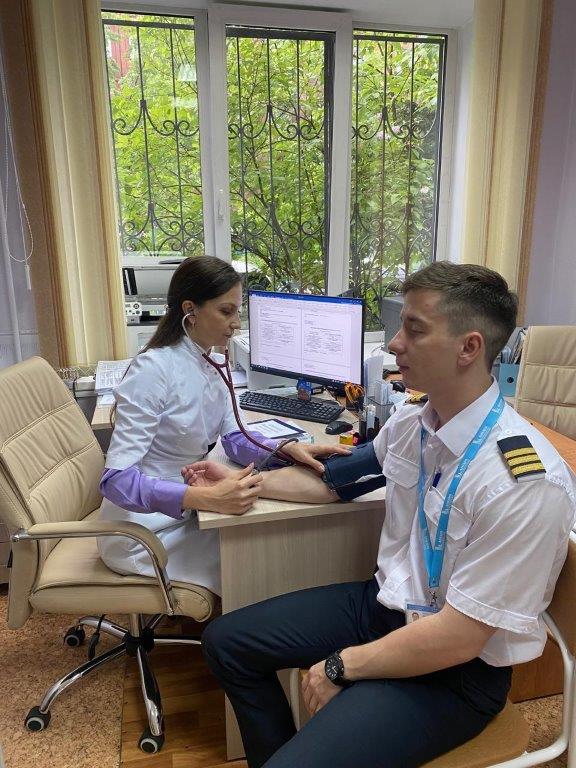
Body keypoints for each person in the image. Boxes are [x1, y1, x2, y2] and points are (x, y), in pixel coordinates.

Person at [183, 262, 576, 768]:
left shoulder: (521, 482)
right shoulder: (414, 422)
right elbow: (331, 483)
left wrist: (340, 666)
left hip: (453, 670)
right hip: (385, 609)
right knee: (225, 643)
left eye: (414, 329)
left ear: (469, 348)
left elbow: (459, 637)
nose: (394, 343)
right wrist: (241, 482)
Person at [98, 255, 346, 595]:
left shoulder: (212, 362)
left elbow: (233, 437)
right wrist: (203, 498)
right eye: (226, 311)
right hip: (143, 532)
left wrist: (287, 449)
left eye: (237, 311)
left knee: (275, 541)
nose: (236, 324)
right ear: (190, 310)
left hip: (190, 507)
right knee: (263, 559)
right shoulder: (153, 371)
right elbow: (116, 482)